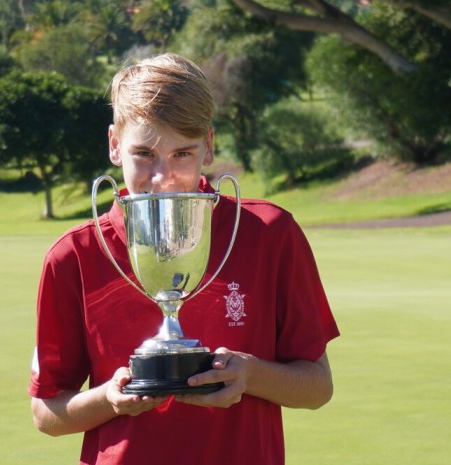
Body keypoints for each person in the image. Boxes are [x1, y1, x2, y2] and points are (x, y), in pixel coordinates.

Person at [28, 53, 340, 465]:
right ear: (114, 146)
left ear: (207, 147)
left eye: (182, 154)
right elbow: (47, 413)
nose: (161, 178)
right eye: (144, 154)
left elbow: (318, 385)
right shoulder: (73, 256)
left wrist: (248, 375)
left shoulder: (270, 233)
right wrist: (110, 398)